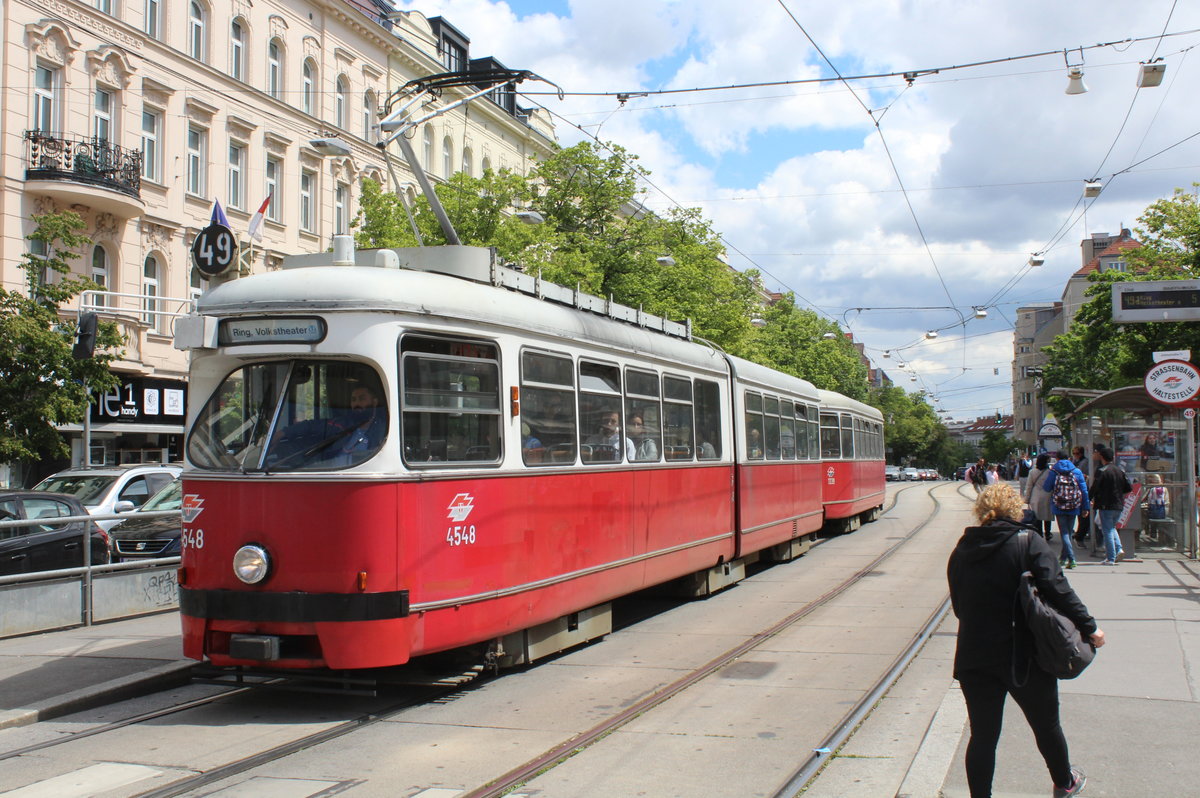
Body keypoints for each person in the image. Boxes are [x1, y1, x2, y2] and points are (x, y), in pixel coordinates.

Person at [947, 483, 1104, 798]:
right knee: (1046, 725)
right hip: (1025, 654)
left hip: (975, 657)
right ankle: (1064, 782)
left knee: (983, 736)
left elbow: (960, 608)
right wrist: (1090, 628)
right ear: (1015, 507)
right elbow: (1058, 590)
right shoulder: (1027, 542)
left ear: (982, 511)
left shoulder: (963, 549)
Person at [1042, 450, 1090, 569]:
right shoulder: (1077, 471)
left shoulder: (1054, 471)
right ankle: (1063, 559)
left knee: (1064, 533)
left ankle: (1071, 558)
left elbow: (1047, 488)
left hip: (1059, 505)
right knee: (1068, 532)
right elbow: (1084, 490)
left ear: (1057, 459)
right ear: (1068, 458)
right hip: (1074, 505)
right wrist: (1085, 507)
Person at [1091, 446, 1131, 565]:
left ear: (1102, 458)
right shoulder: (1119, 470)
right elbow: (1127, 487)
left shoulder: (1102, 471)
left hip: (1105, 505)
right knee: (1112, 528)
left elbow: (1095, 487)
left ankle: (1110, 557)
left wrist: (1089, 498)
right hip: (1118, 504)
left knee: (1107, 530)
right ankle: (1119, 549)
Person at [1023, 453, 1054, 542]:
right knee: (1047, 516)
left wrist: (1027, 499)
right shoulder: (1050, 472)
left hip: (1035, 495)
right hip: (1048, 495)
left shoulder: (1032, 472)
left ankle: (1039, 533)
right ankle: (1048, 533)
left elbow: (1029, 486)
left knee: (1037, 516)